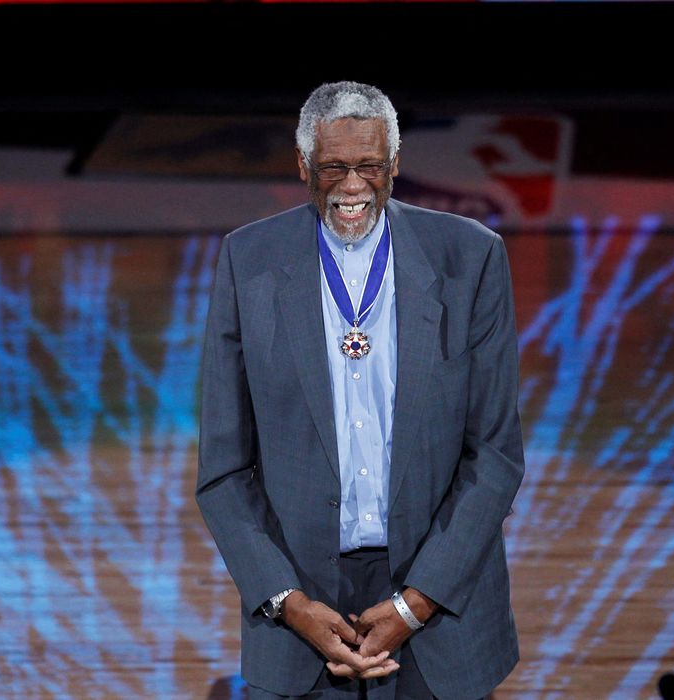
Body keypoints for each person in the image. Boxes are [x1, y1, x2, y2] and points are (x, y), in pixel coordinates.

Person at [195, 81, 525, 699]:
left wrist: (414, 605)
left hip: (440, 607)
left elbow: (497, 456)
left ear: (395, 164)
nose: (353, 186)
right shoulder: (248, 261)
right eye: (334, 168)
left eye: (370, 166)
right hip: (300, 609)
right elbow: (223, 469)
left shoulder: (471, 258)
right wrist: (289, 604)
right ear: (303, 166)